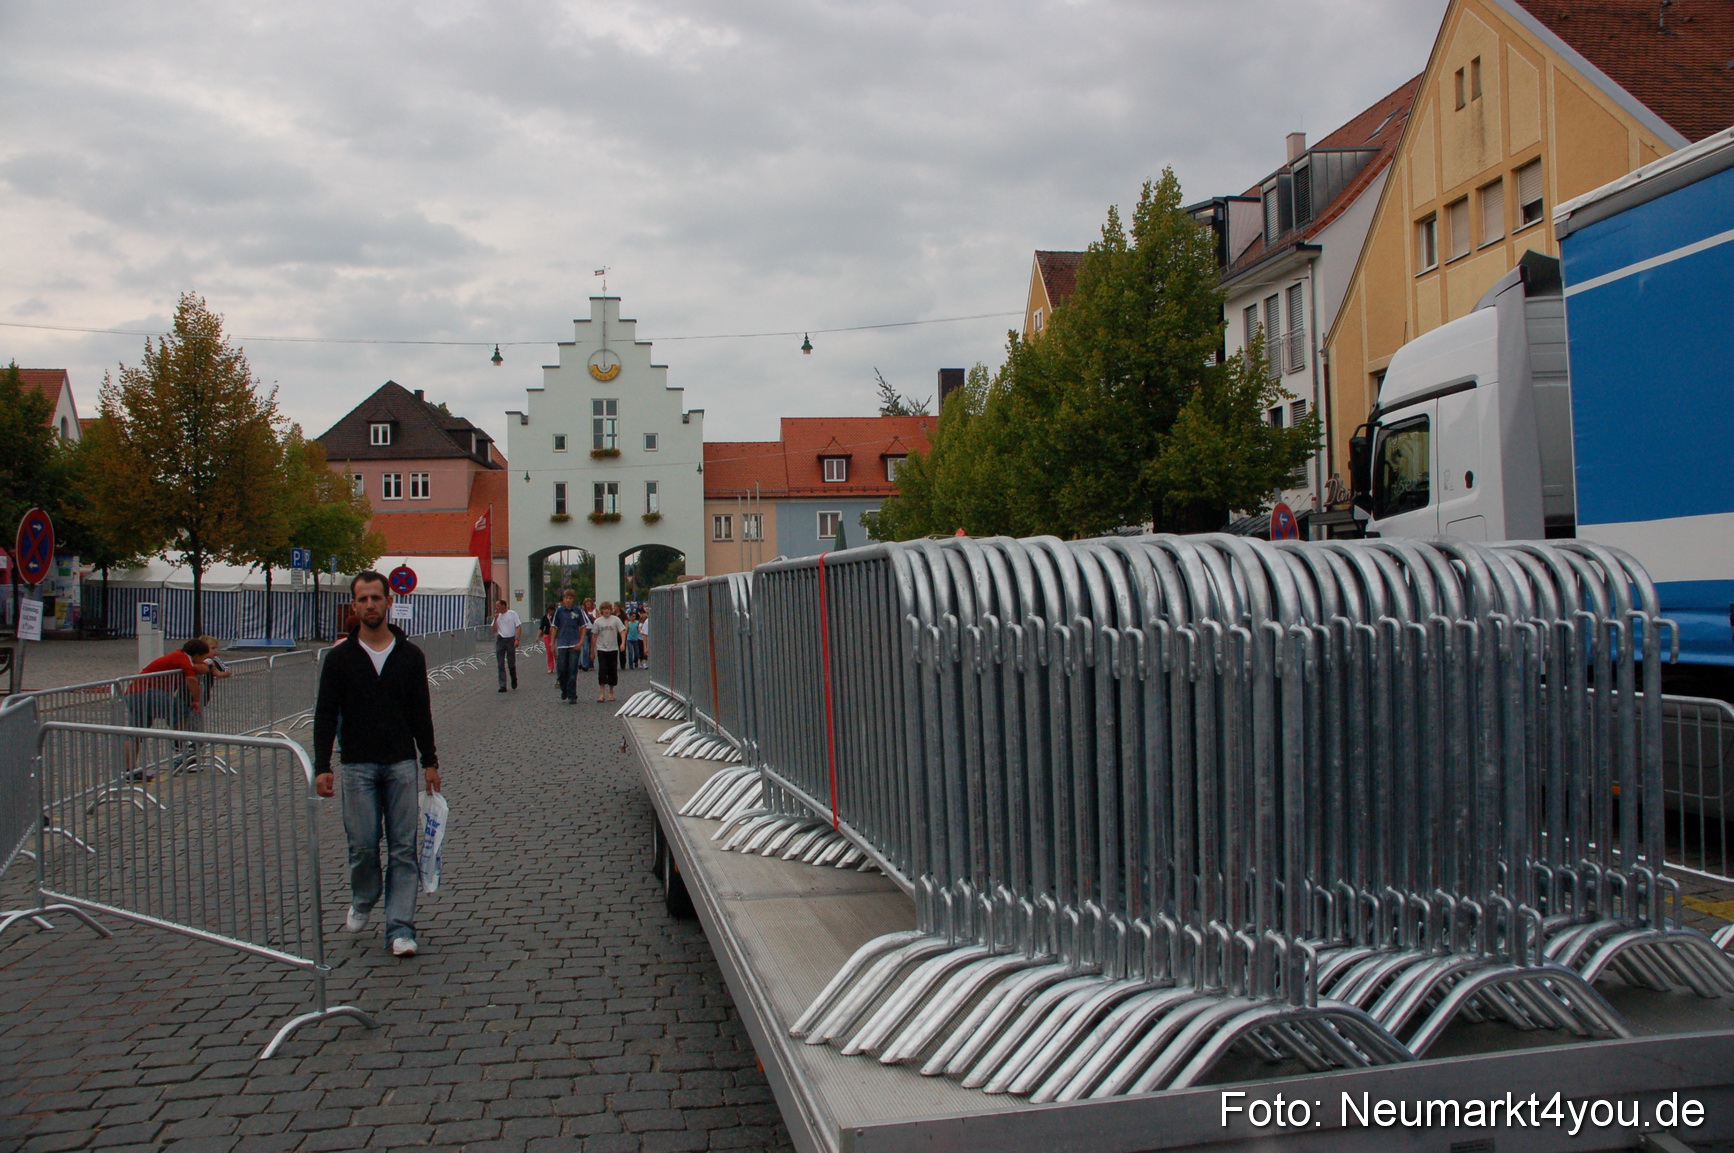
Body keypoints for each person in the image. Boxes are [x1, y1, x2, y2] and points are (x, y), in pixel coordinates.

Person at [313, 571, 441, 958]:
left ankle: (400, 928)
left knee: (403, 848)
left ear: (388, 602)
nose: (370, 605)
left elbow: (421, 711)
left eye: (376, 598)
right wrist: (322, 765)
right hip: (356, 765)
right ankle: (364, 896)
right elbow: (325, 714)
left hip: (401, 762)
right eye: (363, 599)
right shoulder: (339, 658)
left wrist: (429, 760)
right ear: (354, 605)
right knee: (363, 846)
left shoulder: (409, 656)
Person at [124, 638, 208, 776]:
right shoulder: (183, 658)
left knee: (135, 731)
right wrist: (197, 700)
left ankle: (129, 770)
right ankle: (180, 746)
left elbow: (202, 667)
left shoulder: (177, 656)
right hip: (149, 692)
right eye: (203, 657)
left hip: (133, 693)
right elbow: (191, 679)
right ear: (197, 655)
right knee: (181, 710)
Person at [552, 589, 584, 704]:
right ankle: (563, 688)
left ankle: (572, 695)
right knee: (561, 669)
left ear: (573, 599)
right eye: (566, 598)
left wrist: (581, 642)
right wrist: (552, 643)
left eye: (570, 598)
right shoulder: (559, 611)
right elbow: (554, 627)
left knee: (572, 670)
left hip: (574, 643)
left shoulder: (578, 611)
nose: (568, 600)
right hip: (562, 643)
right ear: (563, 599)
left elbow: (583, 626)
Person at [590, 601, 626, 702]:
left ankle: (611, 692)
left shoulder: (616, 620)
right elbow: (594, 636)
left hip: (613, 649)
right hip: (601, 649)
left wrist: (622, 643)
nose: (606, 611)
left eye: (608, 609)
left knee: (612, 671)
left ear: (611, 610)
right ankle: (602, 694)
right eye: (604, 609)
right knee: (602, 671)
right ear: (601, 610)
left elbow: (622, 631)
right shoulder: (597, 621)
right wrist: (592, 651)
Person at [492, 598, 521, 692]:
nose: (496, 608)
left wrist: (517, 639)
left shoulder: (512, 614)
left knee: (511, 663)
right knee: (500, 663)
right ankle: (502, 685)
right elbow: (494, 629)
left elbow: (519, 626)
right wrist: (496, 618)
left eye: (498, 605)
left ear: (503, 606)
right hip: (500, 639)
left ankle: (513, 678)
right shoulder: (498, 616)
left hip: (510, 639)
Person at [577, 597, 597, 672]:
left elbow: (598, 620)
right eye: (586, 603)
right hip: (585, 630)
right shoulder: (582, 612)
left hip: (593, 630)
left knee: (591, 648)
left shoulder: (595, 611)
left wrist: (593, 618)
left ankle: (591, 664)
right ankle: (585, 665)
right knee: (585, 647)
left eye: (589, 602)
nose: (588, 604)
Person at [539, 605, 556, 674]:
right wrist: (538, 636)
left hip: (556, 636)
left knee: (556, 652)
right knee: (549, 652)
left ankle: (560, 666)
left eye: (551, 610)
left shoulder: (556, 617)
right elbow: (541, 627)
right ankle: (550, 667)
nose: (550, 612)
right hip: (547, 635)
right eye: (548, 611)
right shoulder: (545, 618)